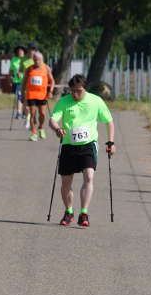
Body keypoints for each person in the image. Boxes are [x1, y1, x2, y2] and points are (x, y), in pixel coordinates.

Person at [49, 74, 115, 227]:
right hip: (68, 145)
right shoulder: (64, 102)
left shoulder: (95, 101)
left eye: (78, 91)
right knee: (66, 182)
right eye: (72, 91)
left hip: (88, 144)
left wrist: (111, 142)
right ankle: (69, 211)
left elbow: (109, 121)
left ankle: (84, 213)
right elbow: (52, 119)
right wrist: (57, 129)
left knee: (89, 177)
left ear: (85, 88)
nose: (75, 94)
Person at [24, 51, 55, 141]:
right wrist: (23, 94)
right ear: (33, 60)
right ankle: (33, 133)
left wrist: (51, 91)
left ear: (42, 60)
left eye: (38, 60)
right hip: (31, 95)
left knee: (42, 114)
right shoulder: (29, 68)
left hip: (42, 95)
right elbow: (24, 82)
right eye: (35, 60)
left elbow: (52, 81)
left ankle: (41, 127)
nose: (37, 61)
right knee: (32, 114)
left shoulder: (46, 68)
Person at [18, 42, 37, 129]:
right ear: (28, 50)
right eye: (30, 49)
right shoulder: (24, 59)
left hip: (36, 84)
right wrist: (19, 73)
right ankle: (28, 118)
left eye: (33, 49)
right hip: (26, 83)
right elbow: (21, 69)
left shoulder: (38, 58)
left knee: (35, 104)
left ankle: (32, 117)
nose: (32, 51)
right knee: (25, 103)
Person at [9, 45, 27, 119]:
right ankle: (19, 112)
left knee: (25, 97)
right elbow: (11, 70)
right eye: (18, 51)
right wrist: (10, 78)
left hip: (25, 81)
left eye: (21, 51)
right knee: (19, 96)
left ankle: (24, 111)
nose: (20, 52)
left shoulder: (27, 60)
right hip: (17, 81)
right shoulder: (14, 59)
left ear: (24, 52)